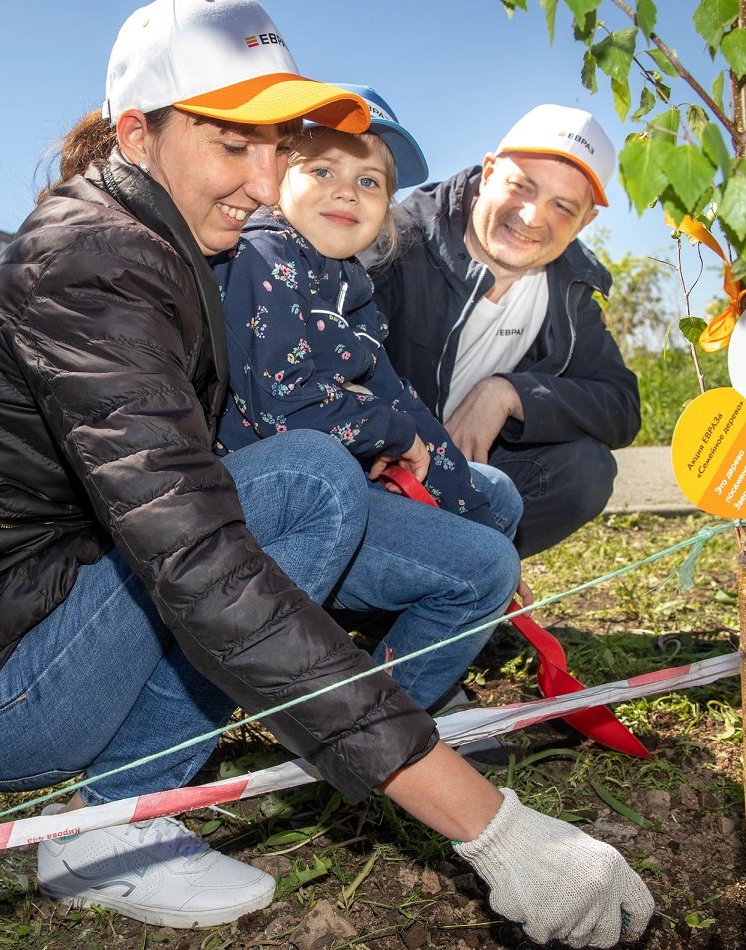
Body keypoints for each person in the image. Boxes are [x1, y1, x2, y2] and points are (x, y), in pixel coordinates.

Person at [0, 1, 653, 945]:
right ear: (136, 134)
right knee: (307, 481)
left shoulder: (171, 246)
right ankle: (108, 832)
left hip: (61, 607)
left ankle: (344, 734)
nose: (263, 180)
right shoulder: (90, 268)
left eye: (275, 148)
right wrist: (494, 830)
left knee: (437, 549)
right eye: (233, 146)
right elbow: (198, 558)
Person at [212, 84, 522, 711]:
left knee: (496, 494)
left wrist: (452, 490)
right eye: (322, 170)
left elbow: (394, 395)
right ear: (276, 179)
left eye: (371, 181)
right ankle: (369, 729)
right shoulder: (264, 258)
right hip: (277, 510)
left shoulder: (346, 282)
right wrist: (393, 436)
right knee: (486, 567)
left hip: (341, 476)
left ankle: (407, 657)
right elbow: (281, 404)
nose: (347, 190)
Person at [368, 104, 642, 559]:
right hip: (373, 474)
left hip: (453, 484)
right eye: (521, 186)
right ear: (490, 171)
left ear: (585, 222)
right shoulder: (395, 239)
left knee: (585, 469)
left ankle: (466, 575)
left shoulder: (570, 290)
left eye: (562, 206)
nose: (532, 217)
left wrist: (509, 393)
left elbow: (621, 405)